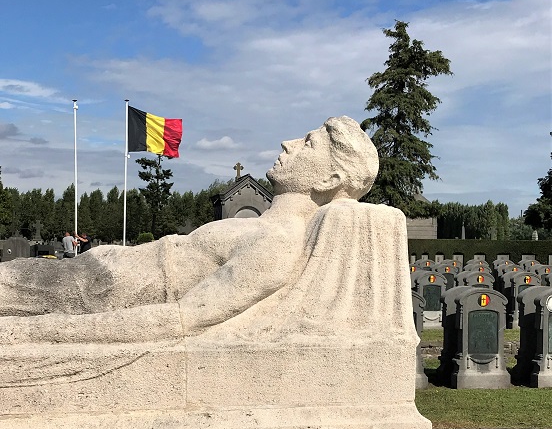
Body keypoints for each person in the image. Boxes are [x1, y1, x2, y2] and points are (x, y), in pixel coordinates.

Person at [0, 117, 379, 343]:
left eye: (307, 143)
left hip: (108, 288)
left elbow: (181, 319)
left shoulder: (277, 246)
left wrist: (44, 331)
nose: (288, 143)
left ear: (331, 177)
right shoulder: (269, 230)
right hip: (106, 270)